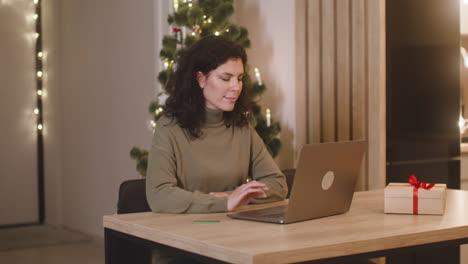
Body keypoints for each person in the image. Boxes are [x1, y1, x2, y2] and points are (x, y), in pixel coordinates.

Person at [146, 35, 287, 264]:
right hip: (183, 248)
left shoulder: (242, 127)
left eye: (240, 79)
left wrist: (238, 199)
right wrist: (224, 203)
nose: (236, 87)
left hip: (235, 243)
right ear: (201, 79)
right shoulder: (169, 128)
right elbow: (159, 195)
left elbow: (277, 184)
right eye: (226, 78)